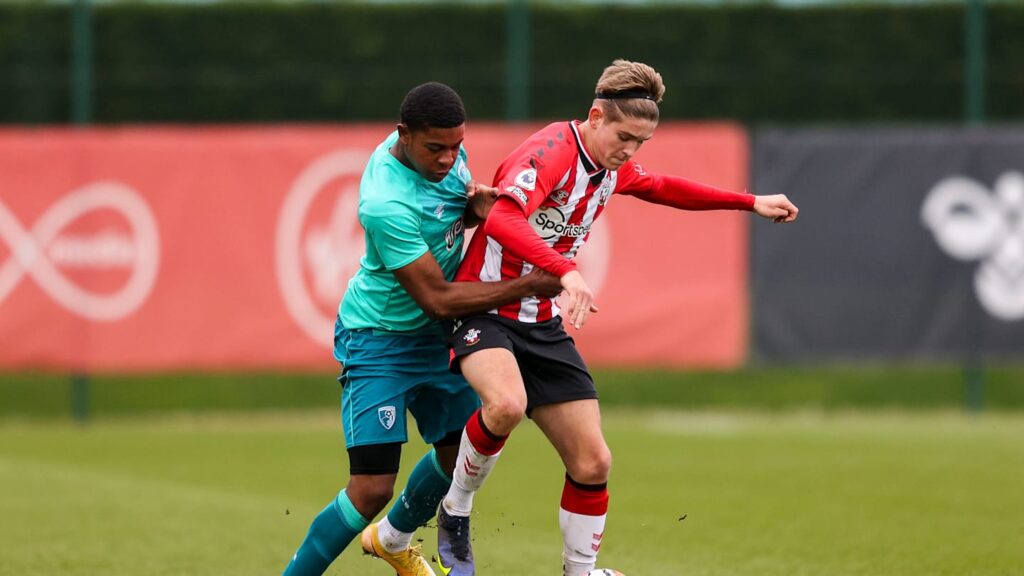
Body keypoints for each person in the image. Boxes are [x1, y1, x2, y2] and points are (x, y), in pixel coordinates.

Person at [433, 60, 799, 576]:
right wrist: (566, 270)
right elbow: (501, 214)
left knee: (594, 462)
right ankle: (456, 509)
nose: (629, 151)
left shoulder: (610, 166)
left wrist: (750, 201)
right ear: (596, 116)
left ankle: (580, 571)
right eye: (624, 136)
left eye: (641, 142)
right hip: (487, 304)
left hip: (540, 320)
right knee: (507, 404)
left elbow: (665, 187)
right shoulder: (551, 152)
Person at [282, 82, 561, 576]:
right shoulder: (384, 202)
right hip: (379, 341)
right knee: (371, 489)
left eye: (457, 146)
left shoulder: (444, 154)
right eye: (436, 148)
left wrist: (485, 205)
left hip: (436, 340)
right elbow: (436, 299)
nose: (449, 159)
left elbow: (459, 205)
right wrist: (529, 284)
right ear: (403, 135)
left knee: (462, 456)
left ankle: (392, 542)